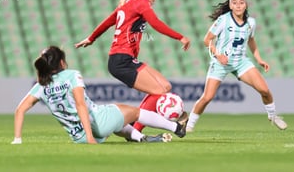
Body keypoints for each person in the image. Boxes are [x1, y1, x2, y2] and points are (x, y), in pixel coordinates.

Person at [74, 0, 191, 132]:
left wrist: (92, 38)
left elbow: (110, 19)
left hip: (124, 58)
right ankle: (136, 129)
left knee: (165, 86)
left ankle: (134, 127)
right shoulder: (141, 1)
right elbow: (155, 23)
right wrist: (180, 37)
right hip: (121, 60)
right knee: (159, 91)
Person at [11, 46, 188, 145]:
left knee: (116, 116)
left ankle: (140, 138)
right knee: (134, 112)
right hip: (95, 126)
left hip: (77, 137)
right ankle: (176, 128)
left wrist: (17, 139)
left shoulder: (41, 86)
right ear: (62, 62)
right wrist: (90, 137)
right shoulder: (72, 75)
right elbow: (81, 105)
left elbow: (19, 111)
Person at [186, 0, 287, 131]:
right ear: (230, 5)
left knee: (264, 90)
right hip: (221, 63)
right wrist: (218, 55)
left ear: (246, 5)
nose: (238, 5)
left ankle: (273, 116)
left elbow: (251, 40)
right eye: (234, 2)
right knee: (207, 97)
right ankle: (189, 125)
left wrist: (259, 59)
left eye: (241, 2)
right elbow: (206, 40)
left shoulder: (251, 22)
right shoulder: (223, 20)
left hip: (240, 62)